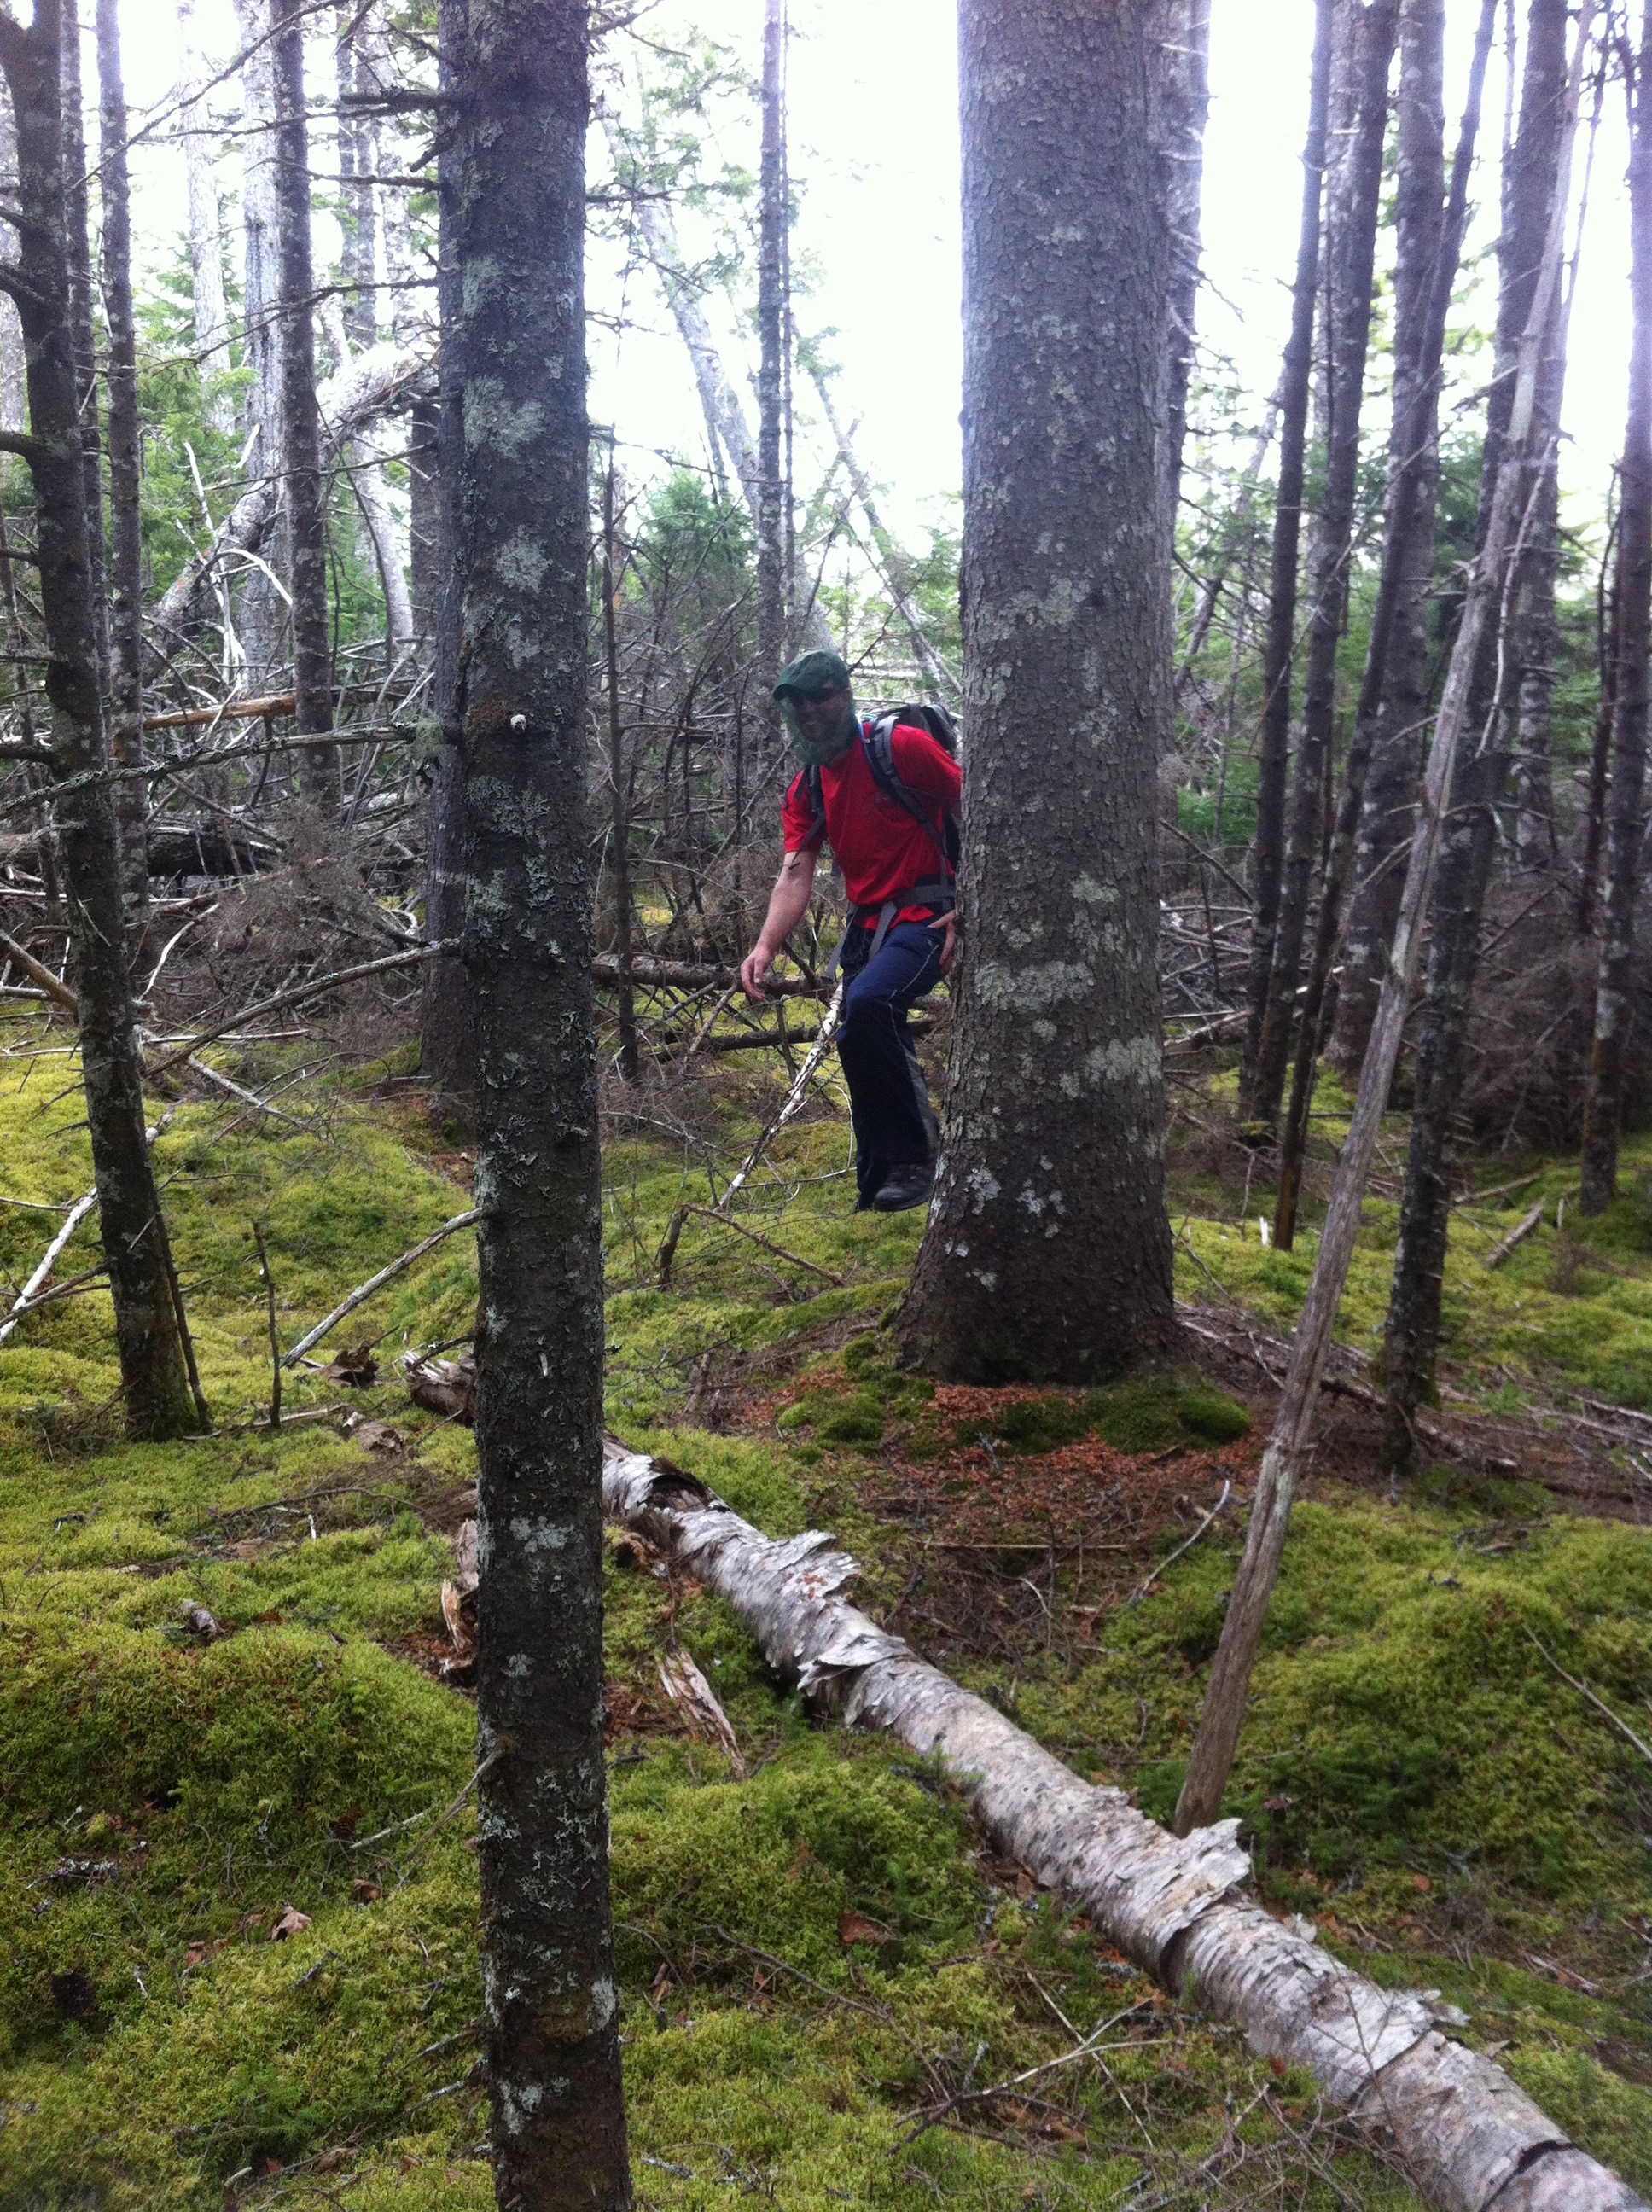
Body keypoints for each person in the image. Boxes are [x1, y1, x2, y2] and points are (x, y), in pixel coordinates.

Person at [739, 650, 960, 1214]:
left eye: (818, 702)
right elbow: (795, 874)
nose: (808, 716)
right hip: (869, 929)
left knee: (870, 1006)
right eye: (797, 709)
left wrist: (975, 905)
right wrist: (766, 945)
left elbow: (984, 810)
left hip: (929, 916)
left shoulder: (900, 749)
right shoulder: (807, 786)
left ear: (843, 697)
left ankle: (916, 1158)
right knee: (855, 1041)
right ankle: (875, 1184)